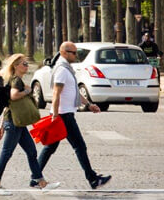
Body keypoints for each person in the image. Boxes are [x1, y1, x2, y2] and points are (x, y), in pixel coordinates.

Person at [36, 41, 111, 189]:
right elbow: (56, 93)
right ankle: (92, 179)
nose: (76, 56)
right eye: (74, 53)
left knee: (50, 148)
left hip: (64, 114)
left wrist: (89, 104)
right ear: (64, 52)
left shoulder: (66, 68)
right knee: (79, 146)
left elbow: (74, 90)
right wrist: (55, 115)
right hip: (63, 116)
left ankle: (35, 177)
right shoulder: (62, 70)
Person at [0, 54, 60, 195]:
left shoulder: (14, 80)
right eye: (24, 63)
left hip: (16, 123)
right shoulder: (16, 80)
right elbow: (13, 96)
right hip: (15, 123)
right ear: (16, 66)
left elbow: (6, 105)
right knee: (6, 153)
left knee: (31, 152)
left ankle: (41, 183)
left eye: (27, 63)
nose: (26, 66)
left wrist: (1, 124)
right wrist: (27, 91)